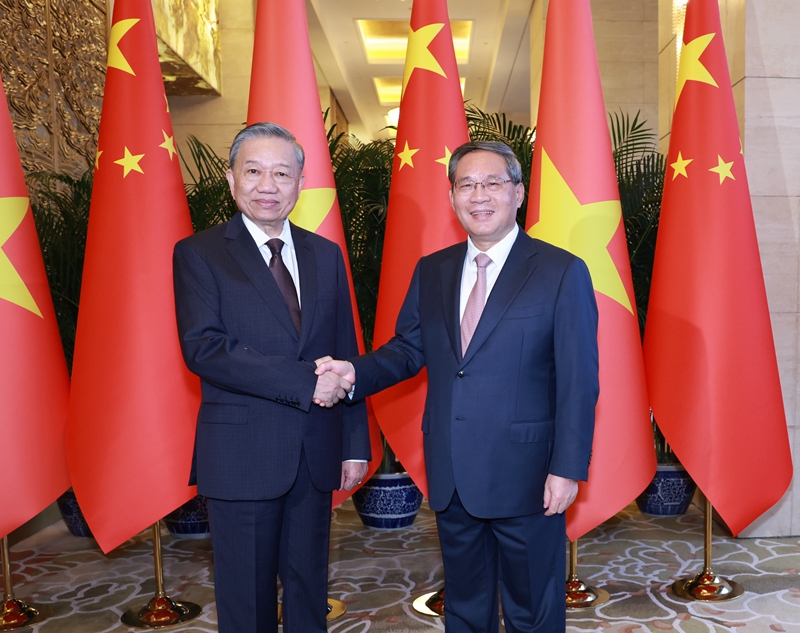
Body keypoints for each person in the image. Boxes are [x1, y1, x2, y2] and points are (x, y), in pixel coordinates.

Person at [316, 141, 599, 632]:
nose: (479, 195)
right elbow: (408, 350)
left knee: (533, 610)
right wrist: (354, 372)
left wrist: (567, 468)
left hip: (530, 476)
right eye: (466, 185)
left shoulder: (560, 271)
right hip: (452, 473)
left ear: (518, 193)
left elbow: (579, 380)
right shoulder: (434, 270)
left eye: (492, 183)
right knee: (465, 609)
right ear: (451, 198)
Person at [173, 121, 370, 633]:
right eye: (254, 171)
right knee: (248, 604)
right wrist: (305, 382)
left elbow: (345, 352)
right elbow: (206, 348)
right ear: (231, 178)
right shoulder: (199, 253)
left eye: (282, 173)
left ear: (300, 183)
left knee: (309, 594)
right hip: (242, 456)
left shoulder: (325, 254)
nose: (268, 185)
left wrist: (354, 443)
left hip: (315, 453)